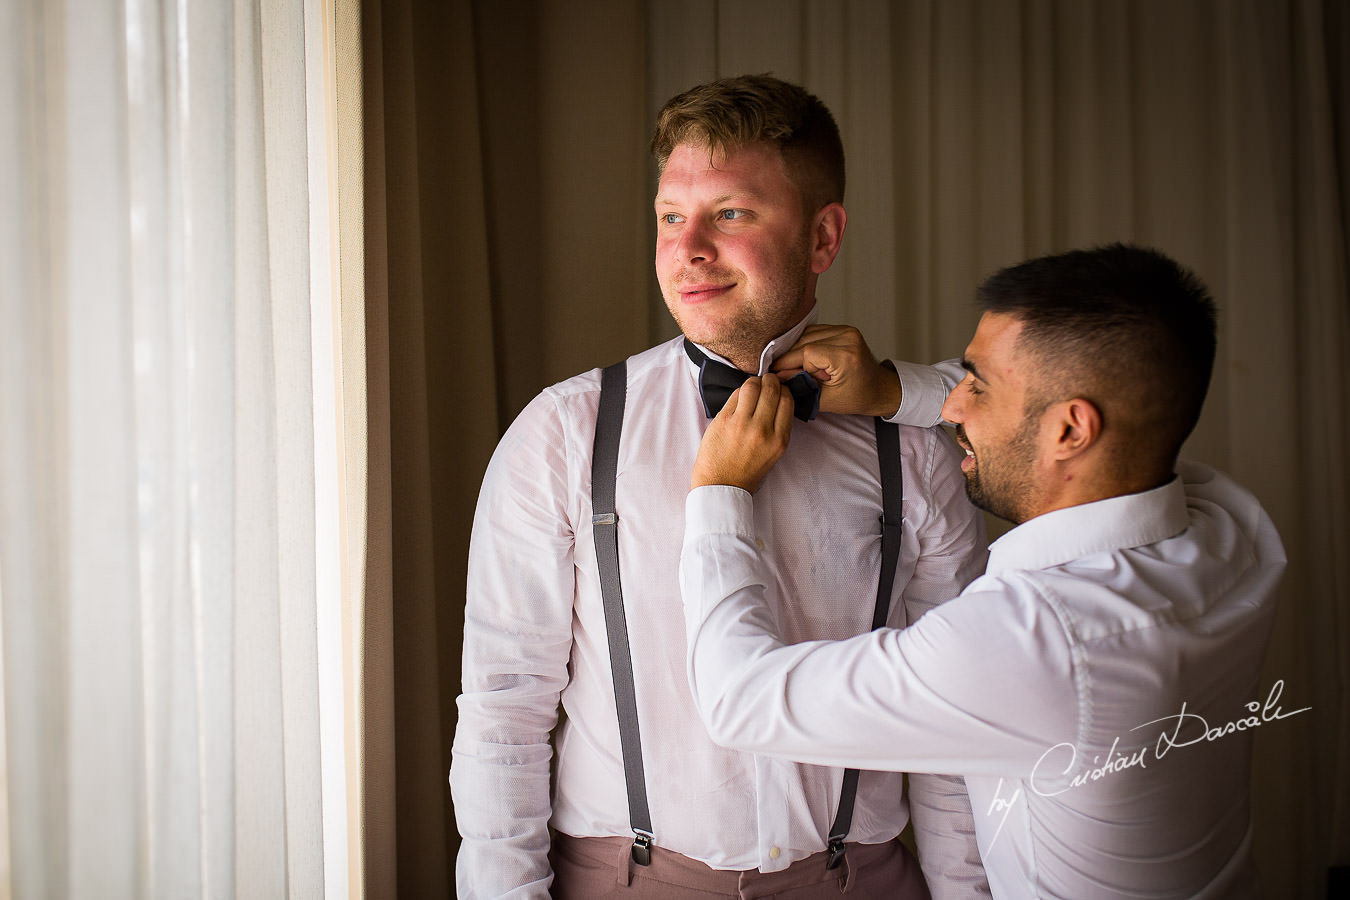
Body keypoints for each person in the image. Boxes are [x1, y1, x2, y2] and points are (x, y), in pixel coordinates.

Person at [450, 74, 991, 898]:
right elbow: (504, 710)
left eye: (731, 213)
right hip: (622, 881)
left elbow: (953, 724)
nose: (688, 248)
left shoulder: (911, 452)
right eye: (671, 216)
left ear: (822, 238)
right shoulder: (565, 432)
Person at [680, 243, 1289, 899]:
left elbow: (739, 702)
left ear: (1070, 432)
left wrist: (720, 492)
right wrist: (892, 389)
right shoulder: (1233, 527)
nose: (954, 408)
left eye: (978, 384)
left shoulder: (1033, 642)